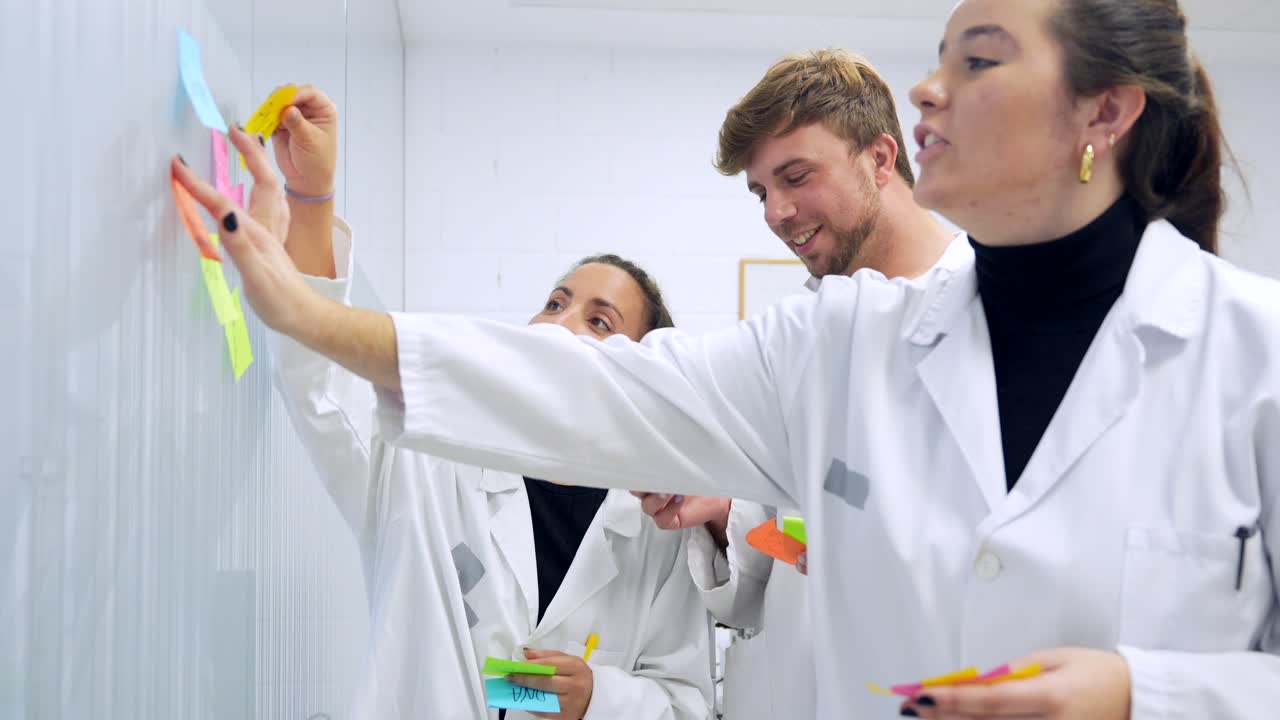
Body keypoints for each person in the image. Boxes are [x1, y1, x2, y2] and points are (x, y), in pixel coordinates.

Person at [171, 1, 1280, 717]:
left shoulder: (1253, 355)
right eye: (936, 58)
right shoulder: (839, 341)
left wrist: (1149, 692)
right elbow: (595, 394)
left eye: (976, 60)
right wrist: (309, 311)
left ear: (1105, 111)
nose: (931, 86)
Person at [227, 90, 713, 720]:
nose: (561, 324)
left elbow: (689, 704)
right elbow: (318, 383)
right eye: (556, 302)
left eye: (600, 321)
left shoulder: (660, 527)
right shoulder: (431, 458)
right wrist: (312, 199)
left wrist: (601, 699)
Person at [632, 49, 965, 720]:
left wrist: (866, 542)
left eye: (795, 177)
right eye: (760, 192)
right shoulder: (808, 337)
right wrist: (726, 514)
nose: (776, 212)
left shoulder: (982, 316)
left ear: (879, 158)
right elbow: (777, 563)